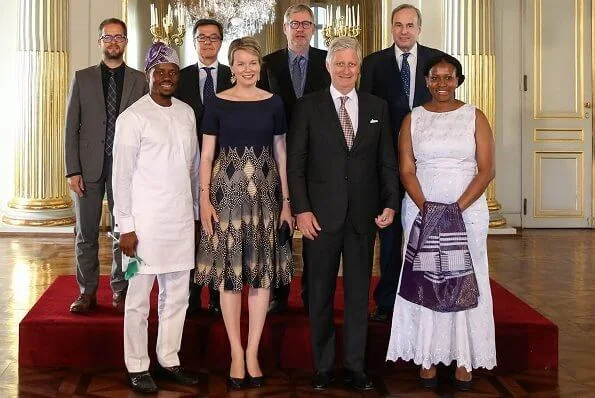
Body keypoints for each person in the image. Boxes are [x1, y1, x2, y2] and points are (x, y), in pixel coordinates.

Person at [287, 36, 398, 392]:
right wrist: (301, 209)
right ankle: (322, 367)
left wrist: (390, 202)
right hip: (319, 217)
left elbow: (386, 162)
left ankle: (354, 366)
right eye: (340, 64)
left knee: (356, 296)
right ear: (328, 67)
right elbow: (296, 164)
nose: (346, 70)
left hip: (363, 217)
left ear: (359, 68)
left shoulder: (377, 106)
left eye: (352, 64)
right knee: (318, 293)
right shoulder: (308, 106)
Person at [386, 54, 497, 391]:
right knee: (425, 276)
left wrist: (455, 210)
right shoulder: (413, 118)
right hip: (422, 208)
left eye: (449, 77)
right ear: (426, 81)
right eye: (435, 77)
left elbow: (487, 169)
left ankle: (465, 357)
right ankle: (427, 356)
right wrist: (429, 209)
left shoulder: (474, 116)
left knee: (467, 275)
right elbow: (406, 169)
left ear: (458, 80)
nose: (442, 84)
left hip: (468, 208)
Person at [195, 37, 294, 389]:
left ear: (259, 66)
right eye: (241, 63)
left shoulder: (274, 103)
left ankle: (253, 351)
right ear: (231, 67)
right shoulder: (217, 102)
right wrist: (204, 200)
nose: (248, 69)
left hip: (267, 196)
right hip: (227, 196)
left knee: (260, 274)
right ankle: (236, 352)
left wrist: (287, 202)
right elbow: (207, 156)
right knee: (231, 274)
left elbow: (281, 153)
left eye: (253, 62)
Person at [112, 42, 200, 394]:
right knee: (137, 299)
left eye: (172, 72)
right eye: (159, 71)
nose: (166, 78)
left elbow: (193, 170)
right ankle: (136, 366)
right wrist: (126, 228)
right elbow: (120, 177)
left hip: (179, 222)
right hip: (143, 227)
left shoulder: (186, 113)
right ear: (148, 74)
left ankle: (168, 358)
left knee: (177, 296)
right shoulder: (132, 118)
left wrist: (195, 215)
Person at [360, 4, 444, 322]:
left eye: (410, 25)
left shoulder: (437, 61)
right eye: (398, 25)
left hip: (429, 162)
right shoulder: (373, 64)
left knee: (428, 232)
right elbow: (365, 111)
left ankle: (427, 296)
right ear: (391, 28)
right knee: (391, 234)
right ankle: (388, 301)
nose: (404, 31)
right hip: (388, 163)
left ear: (419, 28)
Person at [64, 18, 147, 314]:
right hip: (87, 169)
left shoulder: (140, 80)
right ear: (100, 41)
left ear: (126, 42)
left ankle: (122, 289)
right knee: (86, 233)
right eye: (107, 37)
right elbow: (71, 126)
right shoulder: (82, 77)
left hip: (128, 169)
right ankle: (86, 292)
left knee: (123, 231)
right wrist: (72, 170)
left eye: (119, 37)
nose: (113, 42)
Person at [259, 3, 331, 314]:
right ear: (285, 28)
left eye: (306, 23)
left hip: (318, 157)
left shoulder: (327, 61)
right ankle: (279, 292)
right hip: (276, 155)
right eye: (294, 23)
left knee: (315, 225)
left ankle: (312, 292)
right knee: (279, 227)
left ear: (313, 29)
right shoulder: (267, 64)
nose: (300, 28)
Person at [175, 18, 233, 316]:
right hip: (186, 165)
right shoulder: (178, 78)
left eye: (213, 38)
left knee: (218, 230)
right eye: (202, 38)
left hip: (224, 165)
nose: (208, 43)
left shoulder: (233, 76)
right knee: (192, 229)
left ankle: (216, 293)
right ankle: (192, 293)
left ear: (221, 42)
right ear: (194, 41)